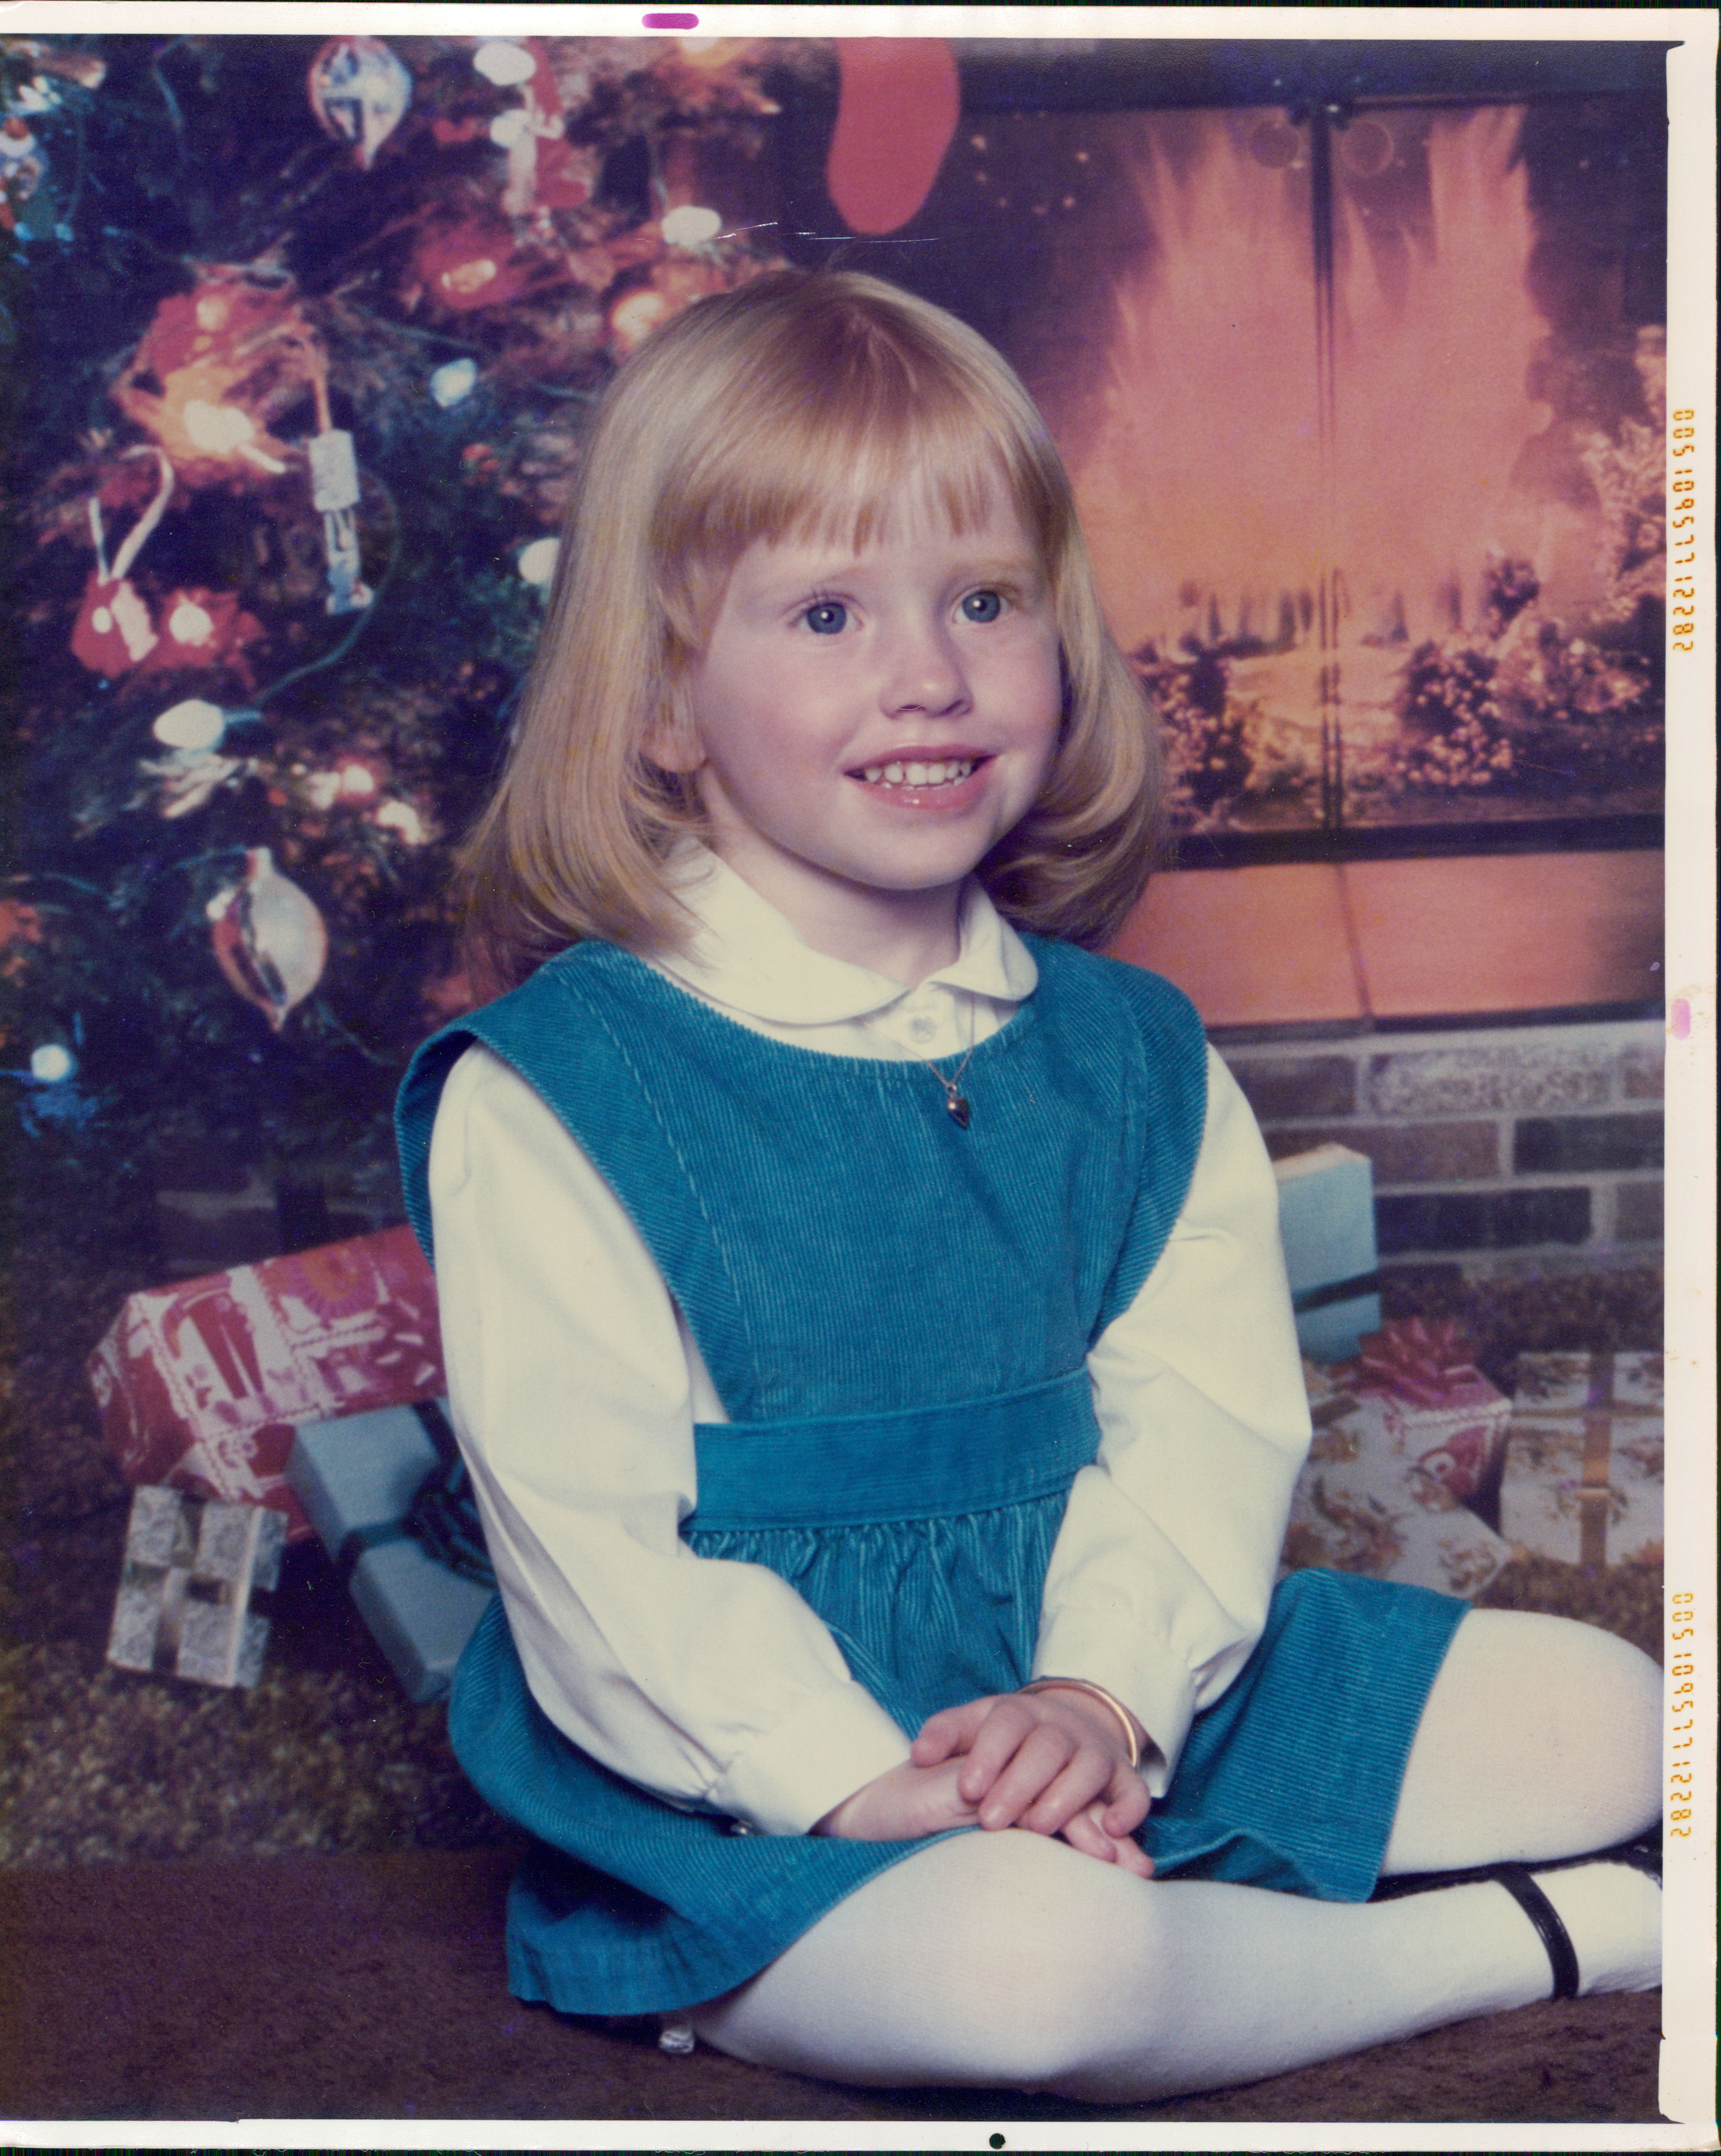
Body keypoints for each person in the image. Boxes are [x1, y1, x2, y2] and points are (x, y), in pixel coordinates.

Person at [395, 270, 1661, 2101]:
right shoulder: (553, 1091)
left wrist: (1098, 1704)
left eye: (982, 599)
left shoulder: (1130, 1052)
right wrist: (855, 1780)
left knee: (1610, 1719)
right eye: (826, 611)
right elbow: (594, 1548)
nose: (928, 672)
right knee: (1030, 1970)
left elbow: (1197, 1425)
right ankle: (1510, 1942)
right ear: (665, 701)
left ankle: (1156, 1874)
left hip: (1105, 1665)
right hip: (757, 1760)